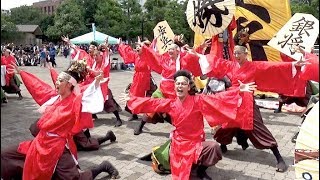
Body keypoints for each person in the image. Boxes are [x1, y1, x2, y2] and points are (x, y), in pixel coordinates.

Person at [193, 45, 310, 172]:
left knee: (258, 127)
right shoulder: (231, 65)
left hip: (247, 101)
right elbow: (216, 62)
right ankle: (223, 144)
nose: (237, 56)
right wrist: (198, 55)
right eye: (235, 53)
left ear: (245, 53)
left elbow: (273, 67)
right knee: (226, 125)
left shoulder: (254, 66)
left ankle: (279, 158)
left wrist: (294, 65)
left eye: (239, 53)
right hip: (232, 99)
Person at [124, 70, 256, 180]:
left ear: (188, 86)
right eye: (177, 84)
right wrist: (133, 100)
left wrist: (239, 90)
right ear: (174, 86)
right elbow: (152, 103)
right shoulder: (170, 104)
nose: (180, 86)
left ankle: (200, 170)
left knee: (214, 147)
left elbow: (218, 99)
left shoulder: (198, 100)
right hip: (179, 145)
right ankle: (193, 169)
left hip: (196, 143)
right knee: (182, 175)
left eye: (183, 84)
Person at [1, 60, 119, 179]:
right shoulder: (54, 97)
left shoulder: (75, 102)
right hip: (40, 143)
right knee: (5, 155)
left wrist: (97, 82)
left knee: (74, 178)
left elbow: (88, 93)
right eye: (57, 80)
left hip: (57, 148)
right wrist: (22, 73)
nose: (56, 82)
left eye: (60, 80)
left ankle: (104, 166)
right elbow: (38, 87)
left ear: (69, 84)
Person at [132, 39, 207, 135]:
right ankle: (140, 126)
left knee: (176, 111)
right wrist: (144, 48)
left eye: (172, 49)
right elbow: (153, 55)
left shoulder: (183, 60)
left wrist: (201, 47)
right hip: (163, 89)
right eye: (168, 49)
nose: (169, 51)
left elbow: (192, 55)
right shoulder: (164, 59)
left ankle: (180, 128)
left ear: (177, 51)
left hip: (175, 92)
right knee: (152, 105)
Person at [118, 37, 156, 121]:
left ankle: (150, 113)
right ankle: (134, 112)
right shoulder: (136, 55)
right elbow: (127, 53)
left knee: (147, 96)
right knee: (133, 94)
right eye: (137, 46)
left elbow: (153, 52)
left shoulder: (148, 56)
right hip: (137, 78)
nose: (137, 48)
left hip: (145, 78)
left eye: (140, 46)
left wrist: (153, 41)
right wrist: (121, 45)